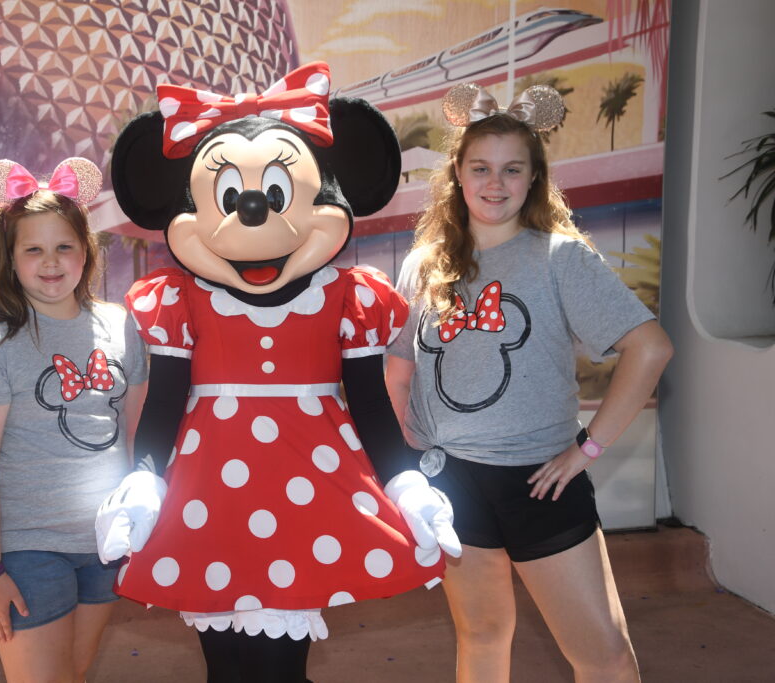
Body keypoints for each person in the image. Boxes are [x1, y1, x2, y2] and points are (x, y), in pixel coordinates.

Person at [95, 62, 458, 682]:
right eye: (230, 198)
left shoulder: (350, 296)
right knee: (226, 667)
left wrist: (405, 483)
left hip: (309, 497)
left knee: (280, 666)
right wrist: (144, 480)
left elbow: (371, 404)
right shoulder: (179, 300)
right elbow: (165, 403)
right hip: (207, 500)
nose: (255, 214)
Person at [386, 83, 673, 683]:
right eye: (481, 168)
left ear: (533, 178)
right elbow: (400, 366)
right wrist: (409, 453)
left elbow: (650, 349)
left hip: (540, 481)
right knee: (482, 636)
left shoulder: (560, 259)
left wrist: (586, 448)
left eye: (512, 170)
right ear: (457, 176)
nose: (496, 183)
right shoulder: (423, 265)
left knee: (604, 654)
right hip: (452, 482)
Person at [0, 157, 147, 682]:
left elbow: (138, 440)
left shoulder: (123, 328)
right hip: (27, 551)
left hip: (103, 546)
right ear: (9, 259)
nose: (51, 262)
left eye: (64, 247)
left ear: (87, 251)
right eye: (33, 249)